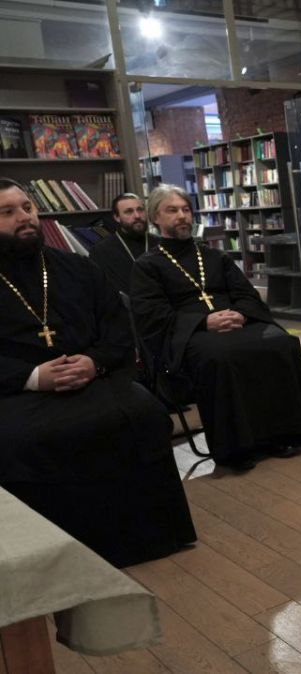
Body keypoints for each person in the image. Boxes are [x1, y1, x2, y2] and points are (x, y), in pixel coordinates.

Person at [0, 178, 195, 567]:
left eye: (27, 207)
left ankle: (155, 538)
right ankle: (58, 559)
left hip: (95, 379)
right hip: (18, 394)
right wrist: (34, 377)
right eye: (8, 212)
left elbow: (118, 327)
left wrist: (94, 361)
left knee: (143, 412)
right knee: (21, 441)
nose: (24, 217)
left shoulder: (77, 267)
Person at [130, 184, 301, 472]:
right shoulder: (147, 266)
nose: (182, 216)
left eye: (186, 209)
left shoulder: (214, 257)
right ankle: (237, 447)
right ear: (155, 218)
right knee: (219, 356)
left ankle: (284, 433)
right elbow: (152, 315)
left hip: (234, 322)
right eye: (172, 210)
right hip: (190, 334)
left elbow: (246, 293)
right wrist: (204, 322)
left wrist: (241, 314)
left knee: (282, 342)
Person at [89, 193, 159, 292]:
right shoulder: (101, 251)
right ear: (117, 217)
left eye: (140, 210)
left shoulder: (160, 243)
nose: (137, 216)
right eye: (129, 212)